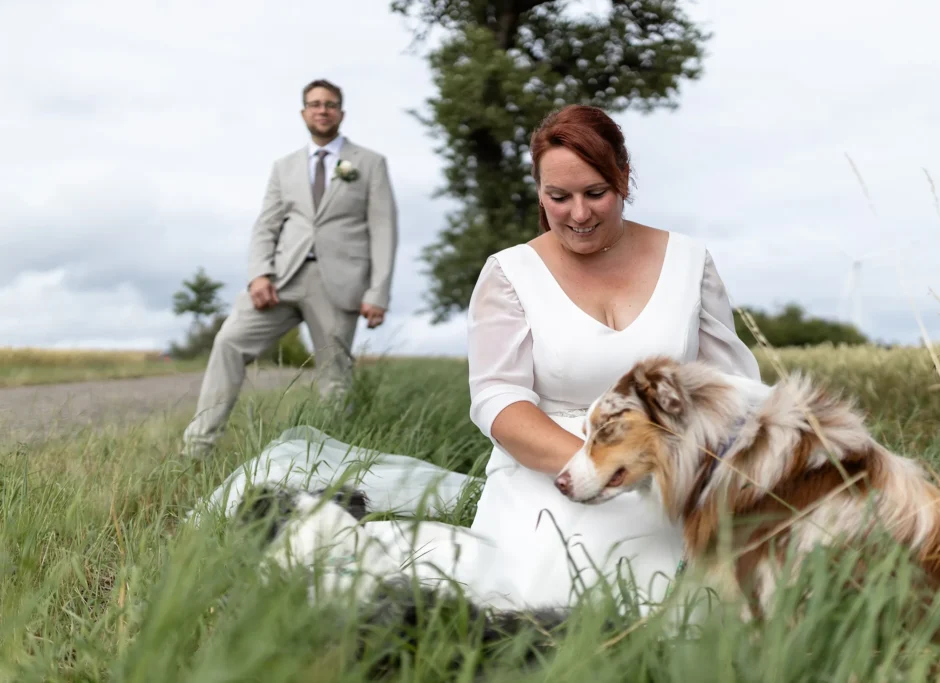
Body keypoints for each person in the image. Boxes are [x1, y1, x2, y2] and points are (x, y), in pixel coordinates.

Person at [193, 104, 760, 614]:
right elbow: (499, 402)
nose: (579, 214)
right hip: (550, 471)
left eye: (596, 193)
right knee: (549, 596)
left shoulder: (690, 262)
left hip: (678, 474)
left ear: (624, 180)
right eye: (558, 197)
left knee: (717, 599)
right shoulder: (510, 272)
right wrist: (601, 470)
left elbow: (734, 388)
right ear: (538, 191)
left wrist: (688, 475)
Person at [182, 79, 398, 458]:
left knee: (334, 377)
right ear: (304, 113)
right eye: (314, 104)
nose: (322, 110)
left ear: (341, 113)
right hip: (282, 277)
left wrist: (377, 291)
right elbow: (266, 225)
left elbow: (383, 229)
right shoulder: (284, 168)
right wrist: (258, 274)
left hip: (339, 284)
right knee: (229, 341)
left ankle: (331, 462)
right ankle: (199, 446)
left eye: (330, 104)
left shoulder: (369, 163)